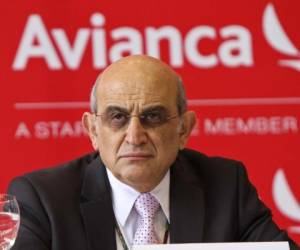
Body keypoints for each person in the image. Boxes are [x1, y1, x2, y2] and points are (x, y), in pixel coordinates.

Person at [8, 55, 299, 250]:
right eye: (117, 118)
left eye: (153, 117)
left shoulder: (226, 185)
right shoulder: (42, 199)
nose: (135, 137)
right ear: (94, 131)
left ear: (184, 129)